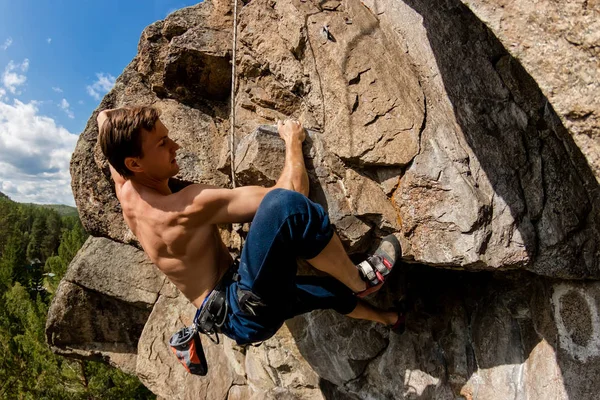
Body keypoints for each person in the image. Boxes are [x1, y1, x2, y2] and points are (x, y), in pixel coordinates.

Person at [97, 106, 405, 346]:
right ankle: (362, 280)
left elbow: (104, 120)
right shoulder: (183, 207)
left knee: (327, 291)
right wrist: (291, 142)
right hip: (245, 310)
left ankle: (389, 320)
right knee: (285, 209)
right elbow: (289, 198)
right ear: (135, 163)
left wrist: (116, 121)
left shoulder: (126, 187)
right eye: (163, 143)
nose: (175, 146)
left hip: (228, 311)